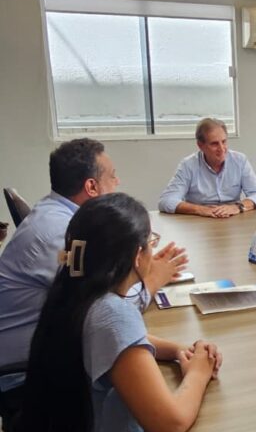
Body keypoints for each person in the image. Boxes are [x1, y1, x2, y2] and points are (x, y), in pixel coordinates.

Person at [16, 193, 221, 432]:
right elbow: (170, 424)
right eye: (151, 242)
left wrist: (177, 350)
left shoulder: (74, 288)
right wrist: (199, 372)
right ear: (138, 256)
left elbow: (120, 340)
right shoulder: (112, 314)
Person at [0, 138, 186, 374]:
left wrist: (140, 267)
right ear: (91, 187)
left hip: (49, 345)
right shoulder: (62, 234)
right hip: (27, 371)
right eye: (112, 176)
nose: (118, 182)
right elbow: (103, 313)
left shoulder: (55, 212)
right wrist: (151, 280)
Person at [158, 117, 256, 218]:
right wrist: (200, 209)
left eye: (224, 142)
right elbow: (166, 201)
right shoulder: (188, 165)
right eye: (214, 144)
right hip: (200, 221)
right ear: (200, 145)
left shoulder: (240, 160)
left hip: (232, 218)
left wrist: (237, 207)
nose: (222, 149)